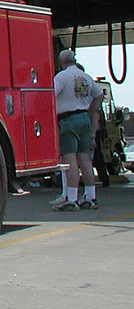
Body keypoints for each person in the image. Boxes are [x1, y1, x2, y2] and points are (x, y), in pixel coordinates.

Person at [51, 49, 104, 211]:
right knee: (84, 158)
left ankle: (71, 198)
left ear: (61, 62)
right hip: (83, 119)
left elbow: (50, 94)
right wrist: (90, 111)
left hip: (68, 119)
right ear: (74, 60)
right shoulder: (85, 77)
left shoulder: (62, 77)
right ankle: (90, 196)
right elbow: (99, 95)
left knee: (69, 158)